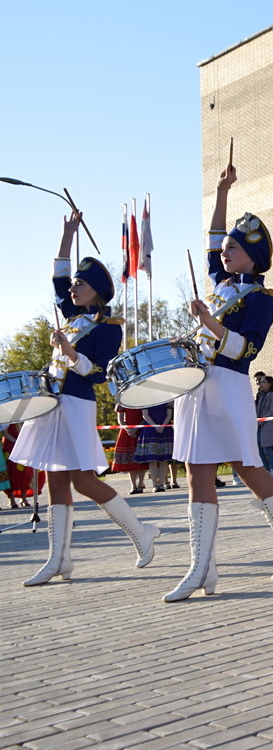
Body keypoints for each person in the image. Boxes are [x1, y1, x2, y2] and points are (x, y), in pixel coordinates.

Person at [165, 162, 273, 601]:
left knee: (247, 467)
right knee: (197, 472)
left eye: (233, 248)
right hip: (196, 385)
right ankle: (202, 567)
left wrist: (209, 324)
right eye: (226, 247)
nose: (224, 253)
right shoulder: (220, 282)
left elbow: (246, 351)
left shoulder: (261, 298)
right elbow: (212, 238)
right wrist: (222, 191)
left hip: (228, 386)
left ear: (252, 255)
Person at [11, 211, 160, 586]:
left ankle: (141, 532)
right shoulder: (72, 316)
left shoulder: (108, 328)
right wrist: (67, 234)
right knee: (56, 481)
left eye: (81, 284)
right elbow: (57, 278)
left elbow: (97, 374)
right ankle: (58, 559)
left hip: (76, 405)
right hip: (52, 404)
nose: (73, 289)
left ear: (97, 291)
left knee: (83, 481)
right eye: (75, 284)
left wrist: (69, 352)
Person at [134, 403, 175, 492]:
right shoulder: (146, 400)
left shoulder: (166, 399)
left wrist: (162, 426)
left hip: (165, 429)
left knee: (164, 459)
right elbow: (145, 415)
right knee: (152, 459)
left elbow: (169, 414)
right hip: (150, 429)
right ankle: (155, 485)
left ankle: (161, 484)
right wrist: (155, 426)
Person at [110, 405, 149, 494]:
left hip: (140, 431)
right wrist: (129, 430)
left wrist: (135, 429)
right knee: (130, 460)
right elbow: (120, 420)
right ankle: (133, 485)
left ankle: (140, 484)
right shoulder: (122, 403)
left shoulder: (142, 401)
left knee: (141, 460)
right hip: (127, 433)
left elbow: (145, 418)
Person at [255, 374, 273, 477]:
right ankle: (266, 470)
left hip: (270, 424)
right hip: (260, 424)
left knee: (267, 448)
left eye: (263, 382)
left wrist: (263, 420)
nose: (261, 384)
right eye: (260, 382)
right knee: (260, 449)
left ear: (270, 384)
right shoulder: (261, 395)